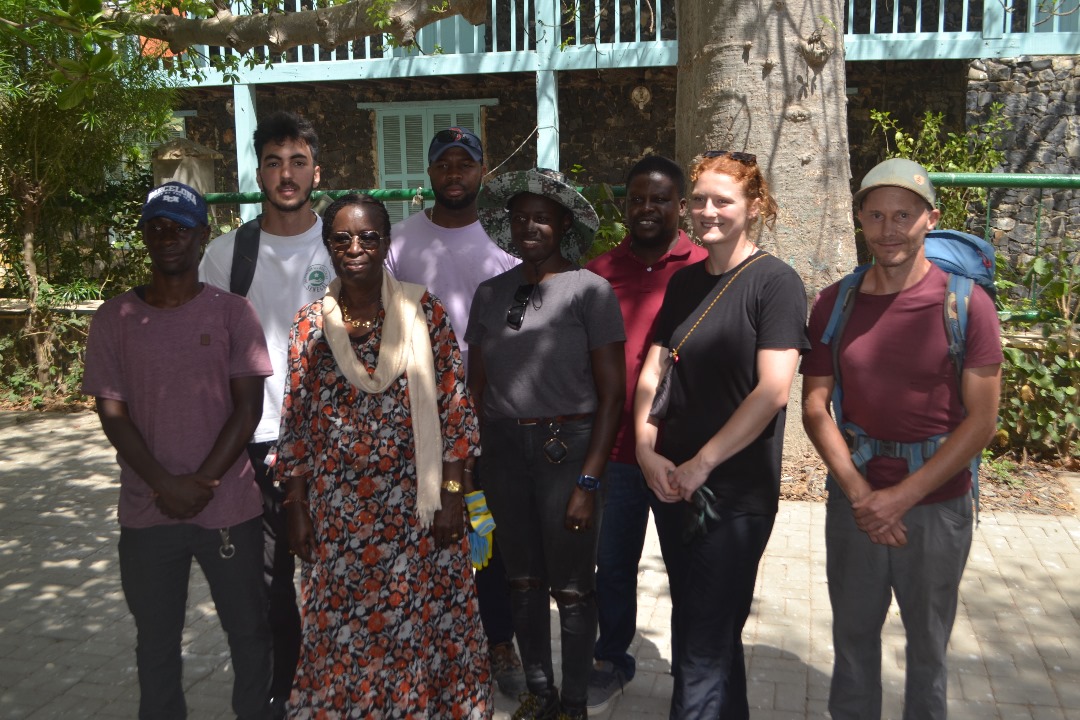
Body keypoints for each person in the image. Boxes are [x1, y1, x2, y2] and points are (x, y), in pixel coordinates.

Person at [801, 158, 1003, 720]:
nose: (889, 229)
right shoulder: (833, 304)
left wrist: (899, 498)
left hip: (936, 508)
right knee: (853, 644)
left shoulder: (967, 306)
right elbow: (815, 407)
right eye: (876, 215)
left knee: (929, 651)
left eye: (904, 216)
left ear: (929, 219)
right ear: (860, 219)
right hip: (855, 505)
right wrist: (863, 496)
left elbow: (981, 422)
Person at [277, 194, 492, 718]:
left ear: (385, 242)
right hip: (341, 516)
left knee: (424, 623)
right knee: (342, 629)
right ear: (328, 246)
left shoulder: (425, 311)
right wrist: (296, 507)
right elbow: (297, 425)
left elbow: (455, 412)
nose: (356, 248)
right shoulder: (309, 327)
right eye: (343, 238)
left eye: (368, 237)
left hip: (418, 512)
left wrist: (453, 497)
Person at [83, 182, 273, 720]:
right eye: (158, 227)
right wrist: (165, 483)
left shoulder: (234, 314)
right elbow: (111, 413)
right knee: (157, 641)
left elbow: (247, 410)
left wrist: (202, 483)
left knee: (249, 632)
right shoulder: (114, 319)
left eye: (180, 228)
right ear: (144, 235)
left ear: (202, 236)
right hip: (148, 509)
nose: (168, 238)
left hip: (230, 507)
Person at [634, 151, 809, 719]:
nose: (708, 211)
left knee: (702, 641)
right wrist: (644, 449)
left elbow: (772, 392)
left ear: (753, 207)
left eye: (723, 201)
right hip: (674, 485)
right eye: (701, 200)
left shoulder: (775, 283)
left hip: (732, 495)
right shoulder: (684, 283)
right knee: (702, 624)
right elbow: (654, 371)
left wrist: (702, 464)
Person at [466, 168, 626, 720]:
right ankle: (540, 692)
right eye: (519, 216)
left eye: (541, 216)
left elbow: (613, 396)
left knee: (574, 588)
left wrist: (589, 479)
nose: (529, 225)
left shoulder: (590, 291)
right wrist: (469, 469)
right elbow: (475, 386)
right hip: (503, 452)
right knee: (523, 579)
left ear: (563, 224)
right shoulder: (490, 293)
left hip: (567, 450)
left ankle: (575, 703)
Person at [199, 111, 331, 715]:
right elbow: (204, 356)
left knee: (339, 577)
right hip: (257, 443)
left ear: (315, 171)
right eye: (275, 162)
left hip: (334, 444)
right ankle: (282, 691)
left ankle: (339, 688)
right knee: (272, 587)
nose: (286, 174)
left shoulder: (347, 243)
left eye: (297, 161)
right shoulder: (228, 255)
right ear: (259, 170)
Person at [386, 128, 525, 697]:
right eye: (442, 163)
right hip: (415, 409)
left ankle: (498, 642)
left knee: (487, 532)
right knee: (419, 529)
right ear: (429, 172)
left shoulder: (504, 243)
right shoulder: (398, 242)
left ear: (480, 172)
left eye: (464, 163)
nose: (453, 172)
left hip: (490, 408)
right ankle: (419, 639)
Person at [583, 155, 707, 712]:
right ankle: (611, 658)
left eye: (660, 199)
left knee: (690, 571)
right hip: (617, 454)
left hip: (684, 455)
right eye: (637, 198)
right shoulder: (599, 273)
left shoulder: (708, 268)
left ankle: (692, 673)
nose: (648, 208)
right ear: (624, 204)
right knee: (612, 565)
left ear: (680, 205)